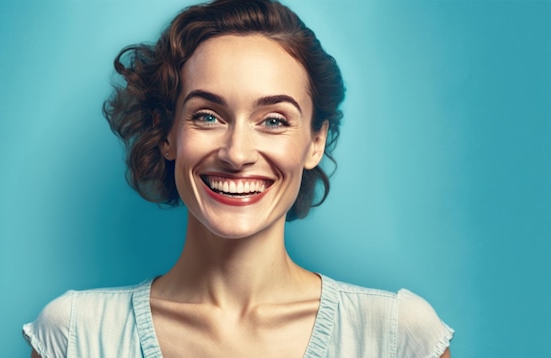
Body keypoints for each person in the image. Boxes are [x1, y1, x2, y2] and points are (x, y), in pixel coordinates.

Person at [23, 0, 454, 357]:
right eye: (207, 116)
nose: (237, 153)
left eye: (273, 120)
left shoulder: (398, 338)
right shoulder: (76, 337)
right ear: (168, 133)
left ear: (316, 142)